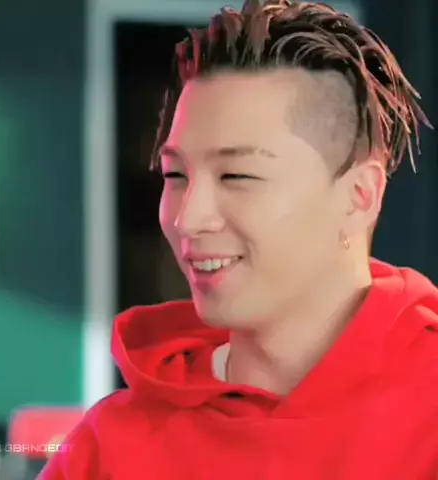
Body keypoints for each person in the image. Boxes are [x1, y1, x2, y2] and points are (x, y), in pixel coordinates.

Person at [39, 1, 438, 478]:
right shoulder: (107, 450)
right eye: (175, 174)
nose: (188, 218)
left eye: (236, 175)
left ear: (359, 196)